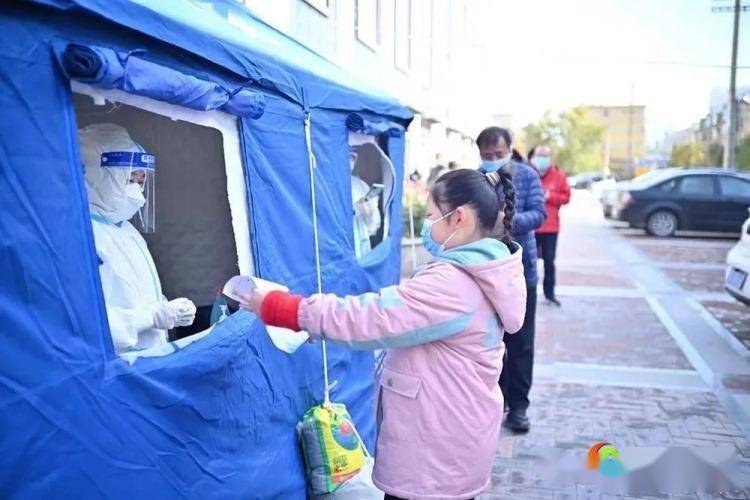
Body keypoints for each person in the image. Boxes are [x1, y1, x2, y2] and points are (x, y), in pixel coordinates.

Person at [242, 169, 526, 500]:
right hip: (455, 442)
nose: (426, 226)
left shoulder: (452, 284)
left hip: (434, 459)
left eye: (431, 216)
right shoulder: (488, 273)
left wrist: (284, 309)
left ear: (459, 218)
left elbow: (371, 317)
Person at [79, 123, 196, 354]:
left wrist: (169, 310)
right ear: (95, 177)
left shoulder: (126, 230)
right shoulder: (84, 236)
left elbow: (136, 294)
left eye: (141, 182)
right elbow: (90, 324)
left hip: (149, 359)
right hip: (119, 367)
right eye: (128, 180)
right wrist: (152, 317)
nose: (137, 193)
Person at [476, 126, 546, 434]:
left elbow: (540, 214)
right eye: (487, 154)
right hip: (484, 273)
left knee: (521, 344)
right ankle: (495, 400)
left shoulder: (527, 176)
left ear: (510, 149)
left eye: (499, 153)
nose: (493, 158)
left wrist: (505, 222)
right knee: (487, 341)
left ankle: (519, 407)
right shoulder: (476, 180)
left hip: (521, 271)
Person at [528, 144, 571, 307]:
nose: (541, 159)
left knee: (549, 262)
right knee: (528, 261)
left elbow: (566, 198)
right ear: (533, 157)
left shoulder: (559, 176)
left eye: (545, 155)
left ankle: (549, 294)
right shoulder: (528, 173)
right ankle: (527, 292)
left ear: (550, 158)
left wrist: (550, 196)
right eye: (539, 155)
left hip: (551, 227)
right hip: (531, 226)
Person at [349, 149, 381, 259]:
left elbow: (373, 224)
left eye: (353, 158)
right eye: (348, 157)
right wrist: (354, 209)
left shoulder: (361, 184)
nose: (350, 161)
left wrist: (370, 206)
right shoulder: (332, 185)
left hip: (361, 235)